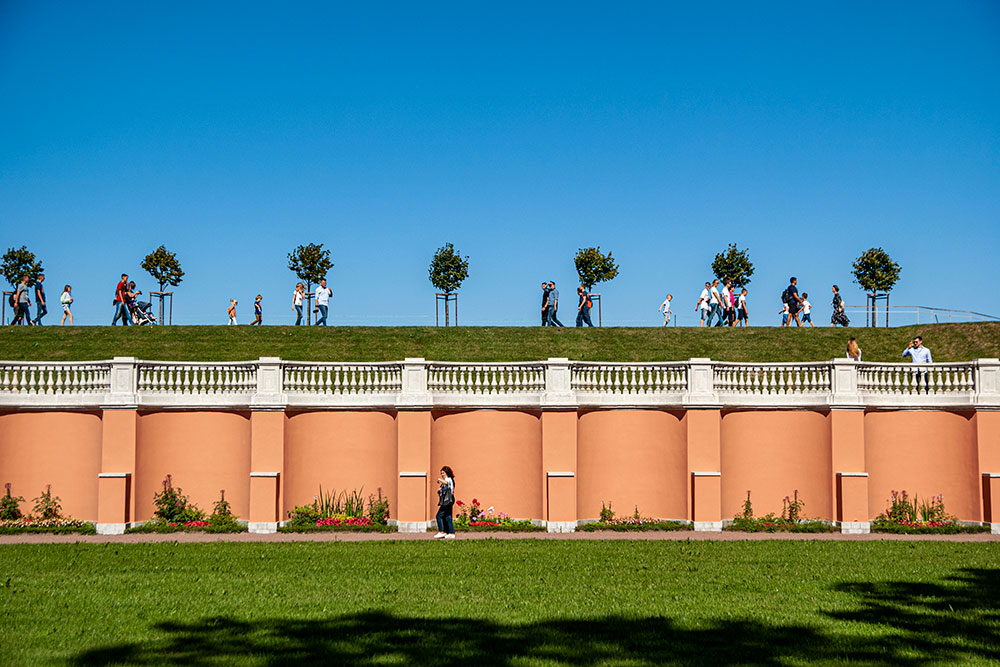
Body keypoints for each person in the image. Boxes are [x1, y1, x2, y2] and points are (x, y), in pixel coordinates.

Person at [434, 466, 456, 539]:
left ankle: (442, 531)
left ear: (447, 473)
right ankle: (451, 532)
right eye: (441, 473)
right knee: (448, 517)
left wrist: (439, 480)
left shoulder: (448, 479)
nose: (442, 474)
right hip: (448, 500)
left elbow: (447, 483)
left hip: (447, 501)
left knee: (439, 516)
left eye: (443, 473)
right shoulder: (446, 480)